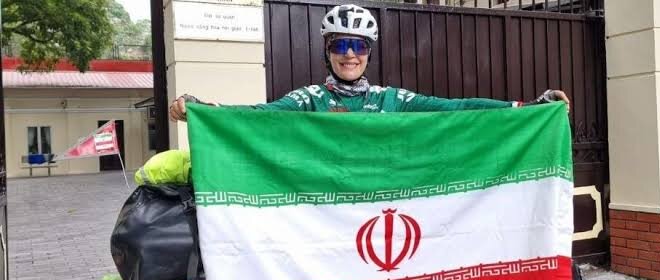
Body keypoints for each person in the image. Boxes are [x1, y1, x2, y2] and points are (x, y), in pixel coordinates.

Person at [169, 4, 569, 120]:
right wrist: (202, 111)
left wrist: (526, 107)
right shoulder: (309, 99)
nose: (350, 54)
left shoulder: (389, 99)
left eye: (358, 46)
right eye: (341, 45)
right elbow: (258, 117)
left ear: (369, 52)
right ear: (327, 52)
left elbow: (456, 107)